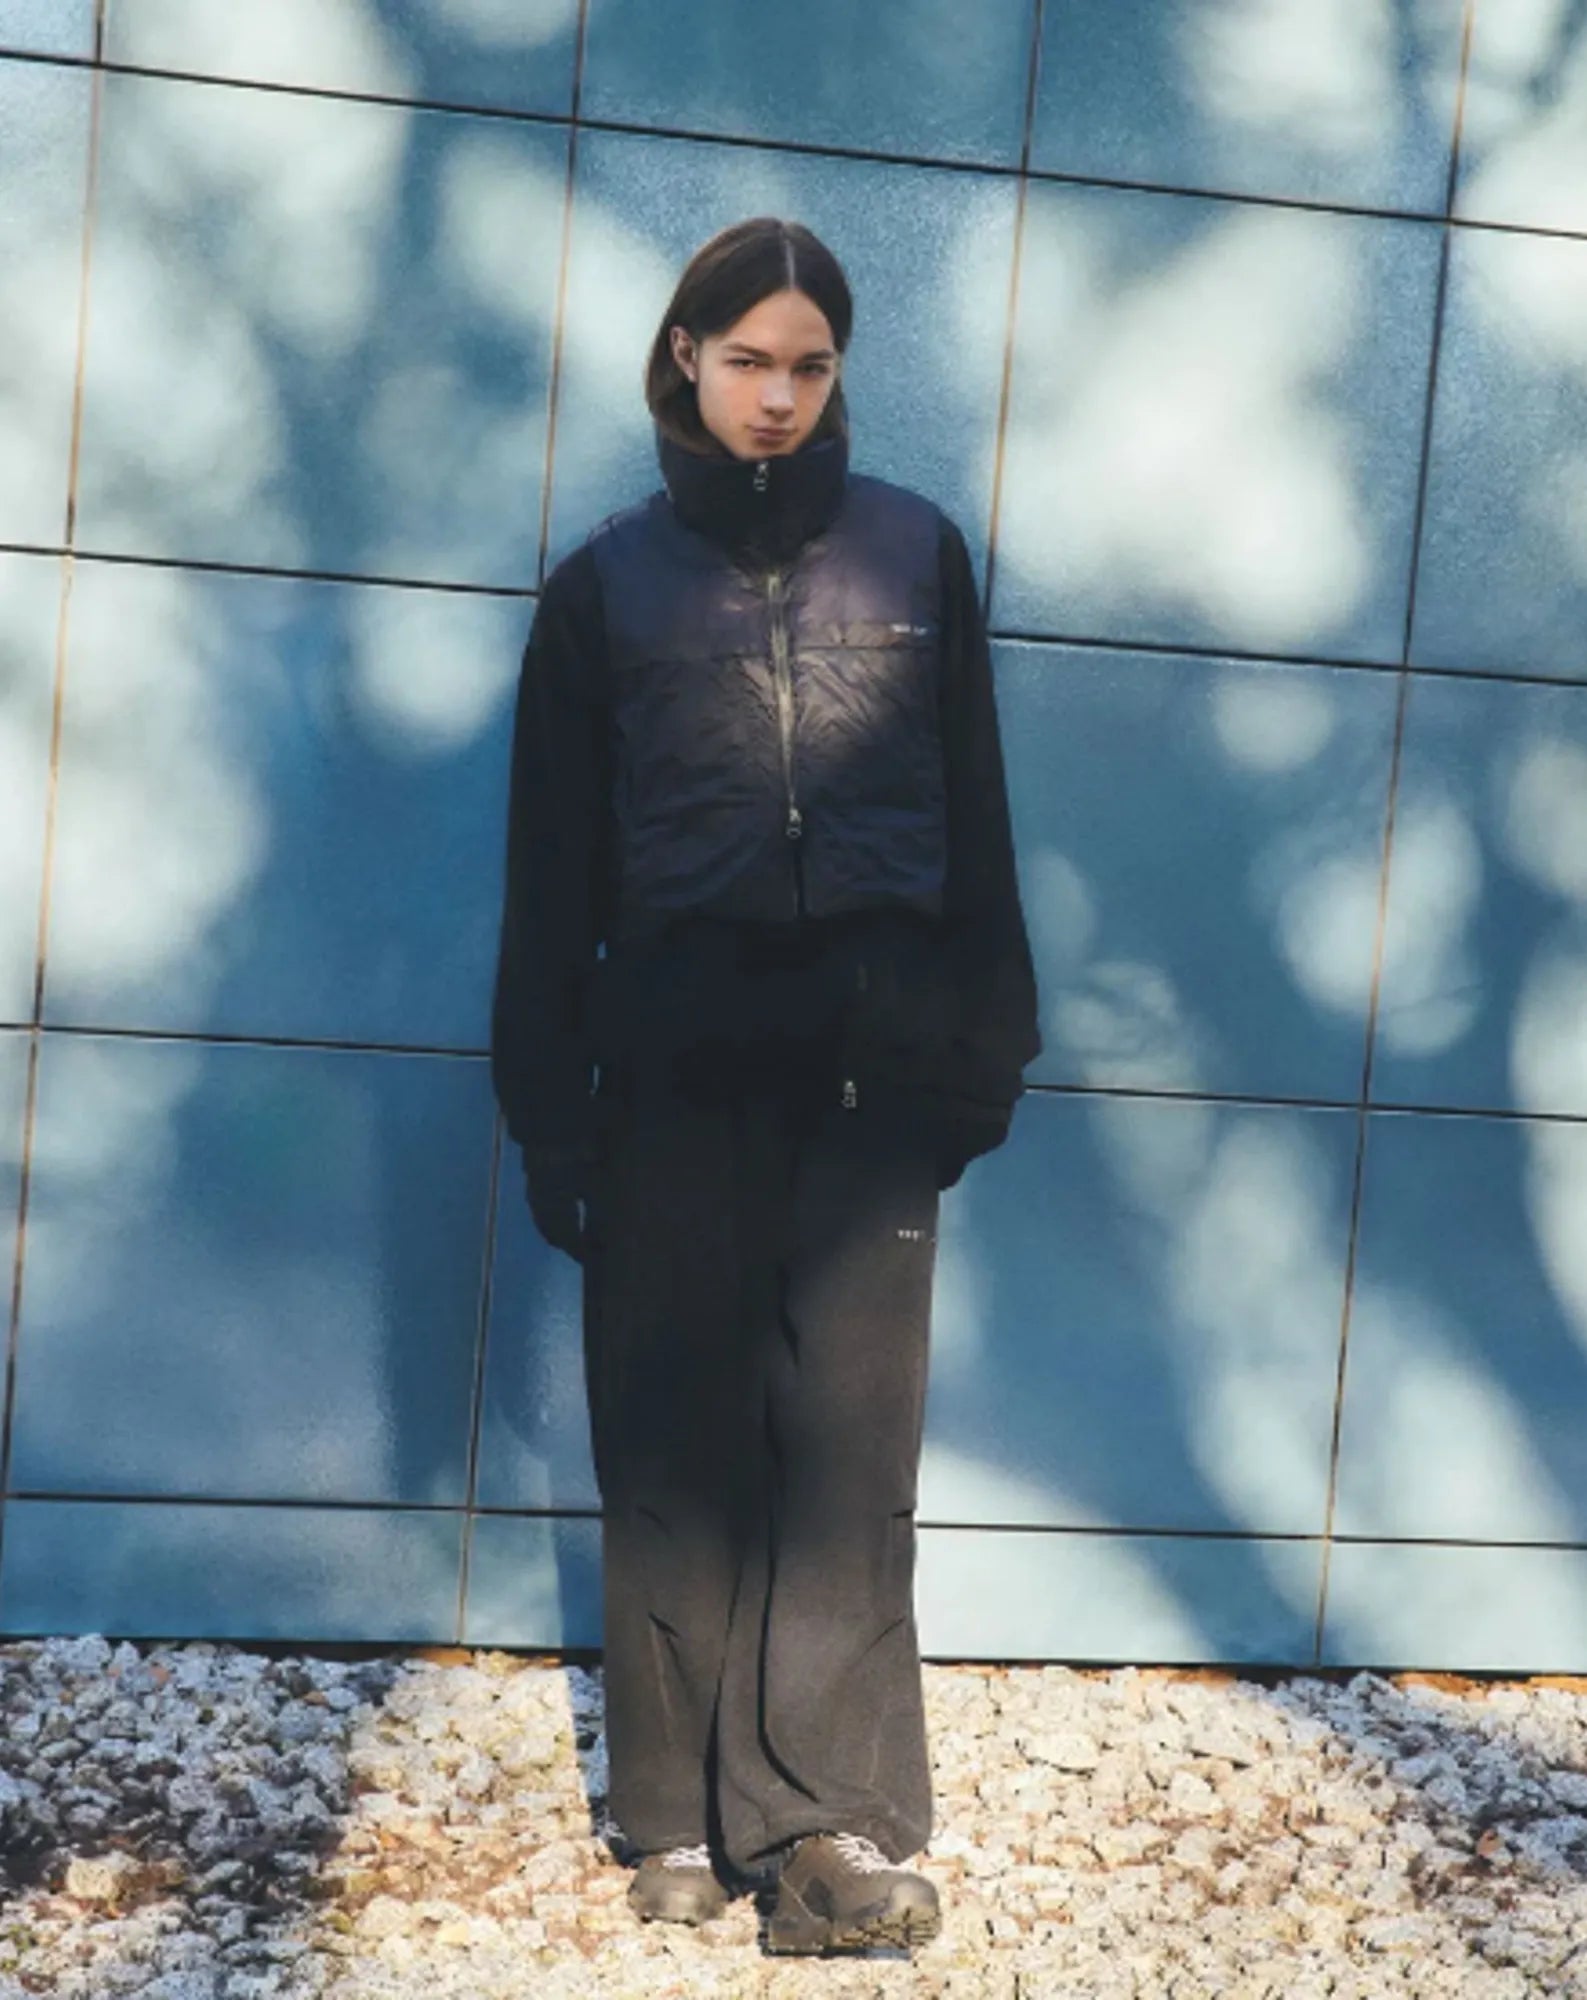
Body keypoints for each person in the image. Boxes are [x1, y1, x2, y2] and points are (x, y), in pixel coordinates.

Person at [489, 216, 1041, 1957]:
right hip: (670, 1051)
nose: (778, 398)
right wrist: (550, 1103)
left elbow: (975, 813)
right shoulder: (604, 588)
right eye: (746, 362)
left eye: (809, 365)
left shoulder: (916, 554)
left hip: (872, 1057)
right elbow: (549, 870)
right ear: (685, 359)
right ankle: (671, 1809)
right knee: (671, 1430)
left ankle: (825, 1816)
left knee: (847, 1443)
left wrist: (989, 1044)